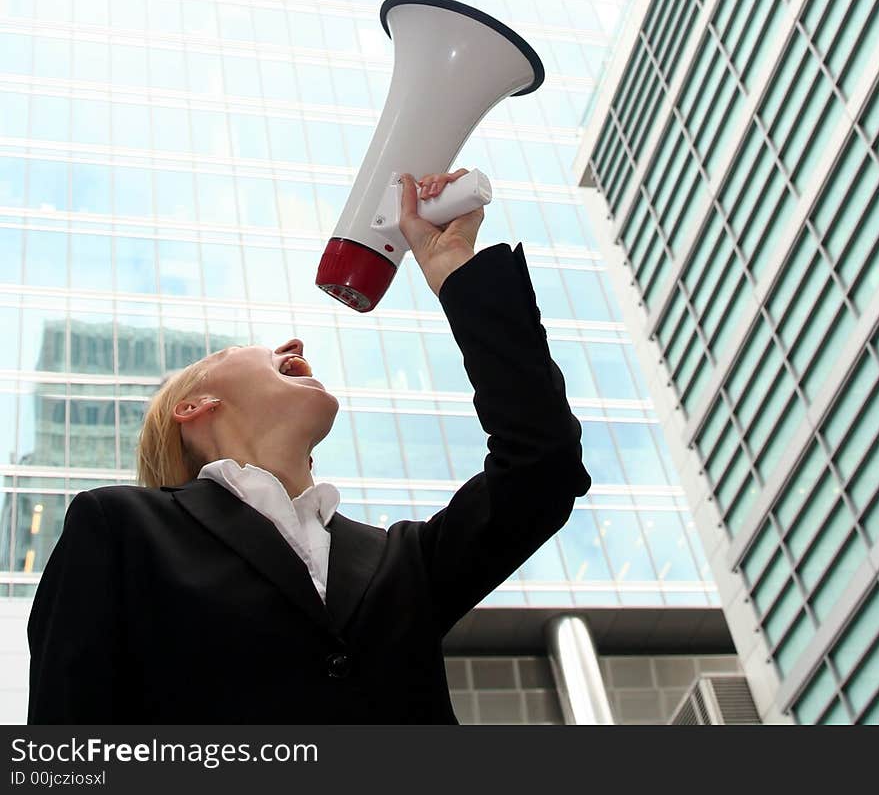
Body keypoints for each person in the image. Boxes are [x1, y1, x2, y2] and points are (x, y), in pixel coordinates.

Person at [27, 169, 590, 724]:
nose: (294, 344)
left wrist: (455, 270)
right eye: (242, 350)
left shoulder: (401, 562)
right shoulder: (120, 526)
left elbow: (543, 463)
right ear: (192, 408)